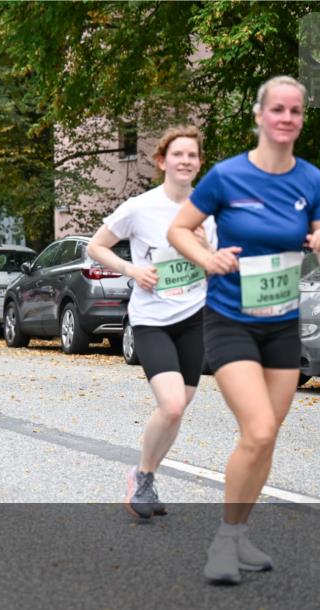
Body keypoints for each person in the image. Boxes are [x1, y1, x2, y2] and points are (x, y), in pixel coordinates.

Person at [167, 76, 320, 584]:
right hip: (230, 322)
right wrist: (208, 257)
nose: (286, 119)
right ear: (259, 115)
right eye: (278, 110)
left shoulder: (312, 180)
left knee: (264, 439)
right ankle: (223, 544)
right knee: (260, 428)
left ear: (301, 119)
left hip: (283, 325)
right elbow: (178, 229)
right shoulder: (226, 176)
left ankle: (240, 534)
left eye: (296, 111)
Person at [87, 125, 216, 519]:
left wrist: (208, 250)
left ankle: (146, 475)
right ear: (162, 161)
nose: (185, 161)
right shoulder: (140, 207)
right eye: (178, 154)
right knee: (173, 405)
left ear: (199, 163)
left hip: (194, 317)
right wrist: (132, 269)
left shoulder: (209, 210)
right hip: (151, 320)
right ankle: (142, 478)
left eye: (192, 155)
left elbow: (216, 266)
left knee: (180, 406)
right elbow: (95, 247)